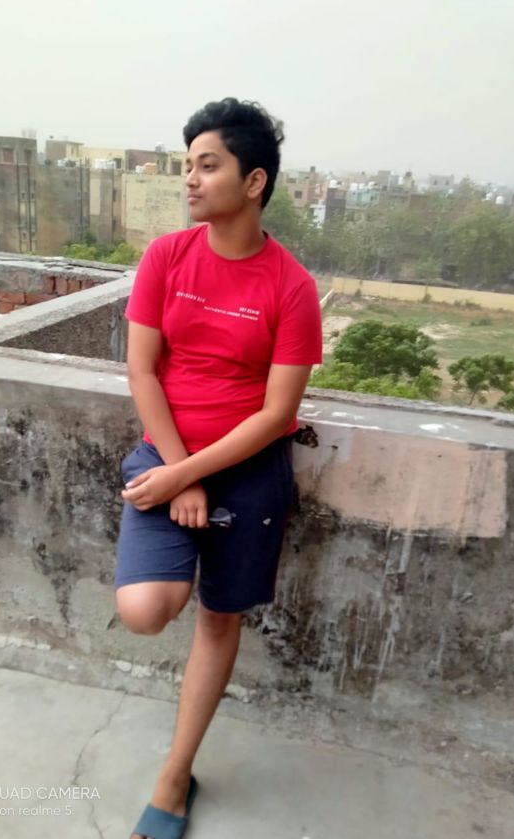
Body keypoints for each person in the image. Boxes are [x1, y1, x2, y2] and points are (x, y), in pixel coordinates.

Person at [115, 97, 323, 839]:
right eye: (187, 166)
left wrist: (193, 475)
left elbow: (277, 413)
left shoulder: (291, 286)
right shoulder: (167, 258)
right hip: (167, 458)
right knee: (144, 610)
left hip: (249, 473)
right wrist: (180, 473)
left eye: (208, 166)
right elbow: (142, 370)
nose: (191, 180)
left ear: (254, 180)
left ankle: (175, 777)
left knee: (217, 619)